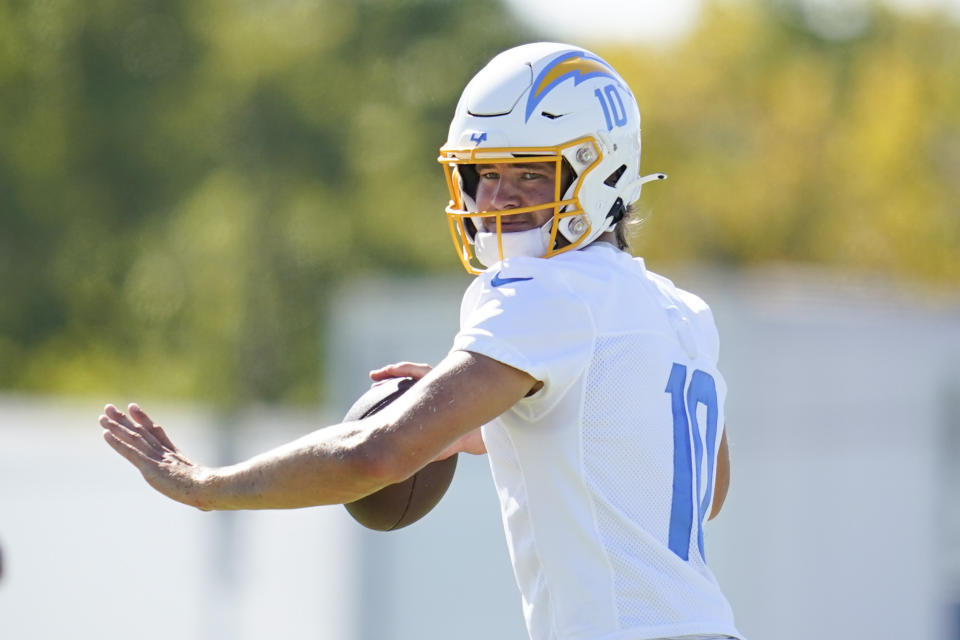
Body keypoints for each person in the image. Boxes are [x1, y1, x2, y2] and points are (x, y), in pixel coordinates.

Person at [100, 42, 743, 640]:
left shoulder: (540, 291)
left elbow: (373, 458)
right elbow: (700, 492)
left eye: (528, 175)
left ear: (599, 173)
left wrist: (206, 485)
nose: (496, 199)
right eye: (485, 174)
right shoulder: (679, 309)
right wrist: (504, 420)